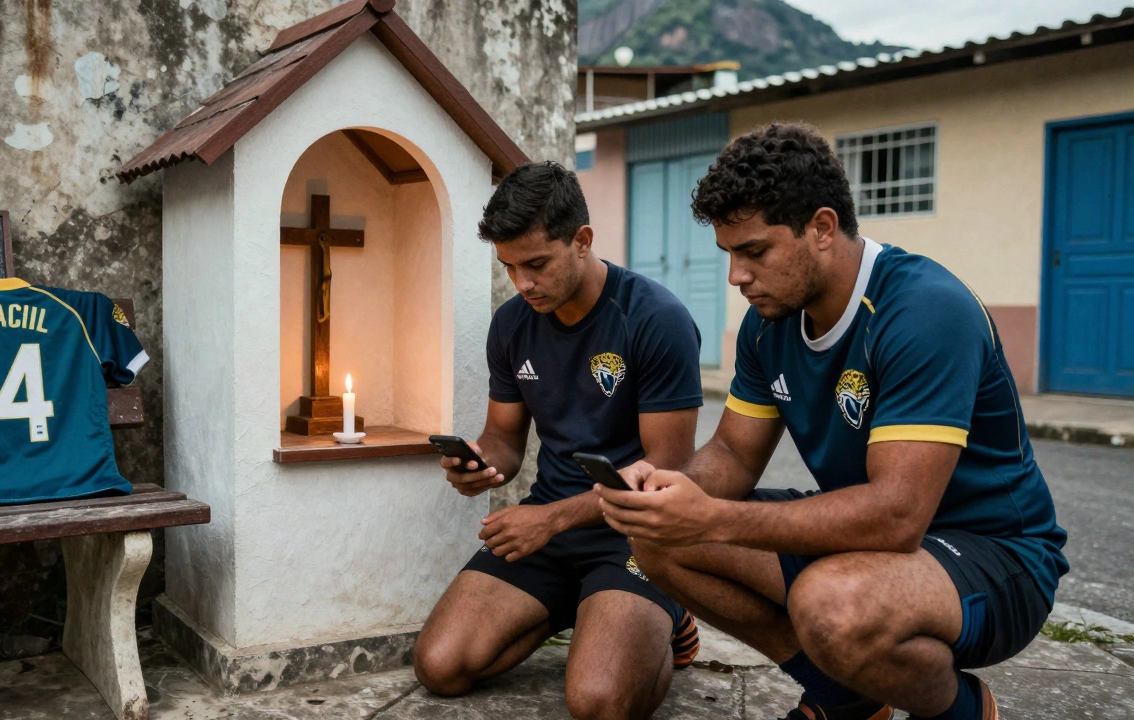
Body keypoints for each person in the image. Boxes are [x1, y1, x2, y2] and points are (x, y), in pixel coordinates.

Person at [593, 123, 1067, 720]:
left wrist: (713, 516)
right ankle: (847, 696)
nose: (737, 276)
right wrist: (668, 494)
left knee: (831, 604)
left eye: (755, 251)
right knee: (661, 541)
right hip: (865, 542)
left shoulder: (923, 310)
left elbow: (897, 515)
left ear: (821, 228)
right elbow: (734, 457)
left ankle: (963, 710)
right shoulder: (768, 325)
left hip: (998, 557)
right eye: (729, 254)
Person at [412, 161, 705, 719]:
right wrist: (477, 465)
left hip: (635, 534)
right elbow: (502, 439)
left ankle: (665, 614)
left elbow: (669, 469)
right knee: (440, 666)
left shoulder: (654, 318)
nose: (522, 284)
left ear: (582, 241)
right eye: (509, 268)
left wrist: (549, 519)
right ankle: (583, 603)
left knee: (599, 702)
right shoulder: (512, 325)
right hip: (551, 528)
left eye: (536, 264)